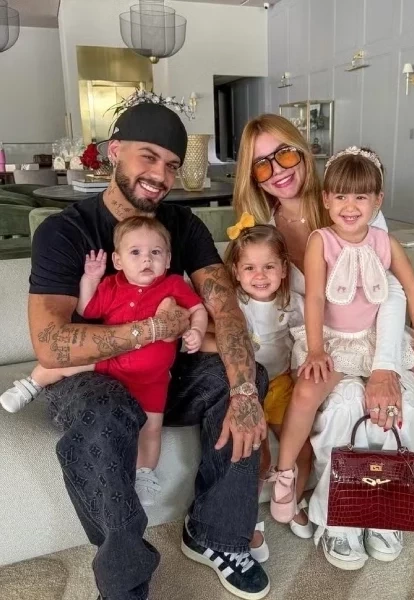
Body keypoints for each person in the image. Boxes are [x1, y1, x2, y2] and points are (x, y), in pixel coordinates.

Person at [28, 102, 270, 600]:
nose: (160, 175)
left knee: (245, 375)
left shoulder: (183, 227)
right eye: (148, 157)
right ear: (114, 153)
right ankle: (124, 581)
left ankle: (215, 535)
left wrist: (244, 389)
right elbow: (51, 344)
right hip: (89, 378)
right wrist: (149, 329)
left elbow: (224, 311)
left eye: (172, 165)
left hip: (162, 374)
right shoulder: (65, 232)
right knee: (104, 408)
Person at [232, 115, 414, 566]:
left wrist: (386, 367)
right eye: (261, 165)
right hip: (317, 344)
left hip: (376, 338)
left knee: (396, 407)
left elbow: (393, 293)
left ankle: (382, 511)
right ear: (251, 176)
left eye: (286, 153)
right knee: (342, 405)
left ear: (303, 151)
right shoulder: (259, 229)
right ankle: (338, 519)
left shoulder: (348, 199)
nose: (277, 170)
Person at [270, 146, 414, 543]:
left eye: (360, 197)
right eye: (340, 196)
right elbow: (315, 297)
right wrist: (315, 349)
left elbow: (413, 291)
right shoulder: (322, 241)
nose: (349, 206)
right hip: (333, 340)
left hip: (372, 337)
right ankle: (284, 474)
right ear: (326, 200)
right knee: (306, 392)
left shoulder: (385, 242)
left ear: (377, 201)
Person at [4, 217, 208, 508]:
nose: (146, 259)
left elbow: (197, 308)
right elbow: (86, 308)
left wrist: (196, 331)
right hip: (110, 362)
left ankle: (144, 473)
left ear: (168, 259)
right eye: (135, 252)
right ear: (118, 259)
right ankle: (30, 385)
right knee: (63, 363)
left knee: (151, 430)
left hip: (152, 380)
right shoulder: (112, 286)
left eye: (156, 252)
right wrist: (91, 278)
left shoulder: (174, 285)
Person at [201, 220, 309, 563]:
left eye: (268, 267)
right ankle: (249, 519)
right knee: (255, 454)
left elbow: (307, 340)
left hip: (282, 382)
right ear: (236, 270)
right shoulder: (235, 304)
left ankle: (290, 499)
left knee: (299, 443)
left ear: (283, 269)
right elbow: (216, 337)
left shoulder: (294, 303)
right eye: (249, 267)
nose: (259, 275)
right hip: (248, 383)